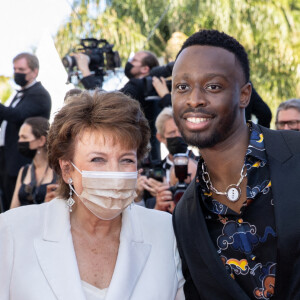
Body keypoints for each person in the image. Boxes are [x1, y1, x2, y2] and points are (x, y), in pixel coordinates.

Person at [0, 91, 184, 300]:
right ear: (67, 169)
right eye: (98, 159)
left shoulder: (165, 232)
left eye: (126, 160)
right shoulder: (13, 232)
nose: (114, 173)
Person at [171, 29, 300, 300]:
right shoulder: (185, 216)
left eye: (213, 86)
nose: (194, 99)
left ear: (244, 95)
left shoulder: (295, 152)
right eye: (182, 87)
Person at [74, 51, 164, 161]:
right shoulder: (153, 88)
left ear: (145, 69)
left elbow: (108, 102)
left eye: (134, 61)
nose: (129, 63)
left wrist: (85, 70)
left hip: (139, 157)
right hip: (151, 157)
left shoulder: (138, 85)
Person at [0, 52, 51, 212]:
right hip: (6, 158)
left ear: (34, 71)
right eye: (15, 69)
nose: (17, 73)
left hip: (21, 159)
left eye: (21, 69)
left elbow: (17, 115)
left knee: (16, 207)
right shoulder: (18, 94)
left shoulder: (39, 95)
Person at [10, 117, 57, 208]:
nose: (19, 141)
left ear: (41, 140)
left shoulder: (57, 170)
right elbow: (13, 209)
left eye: (24, 137)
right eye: (19, 137)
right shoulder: (24, 171)